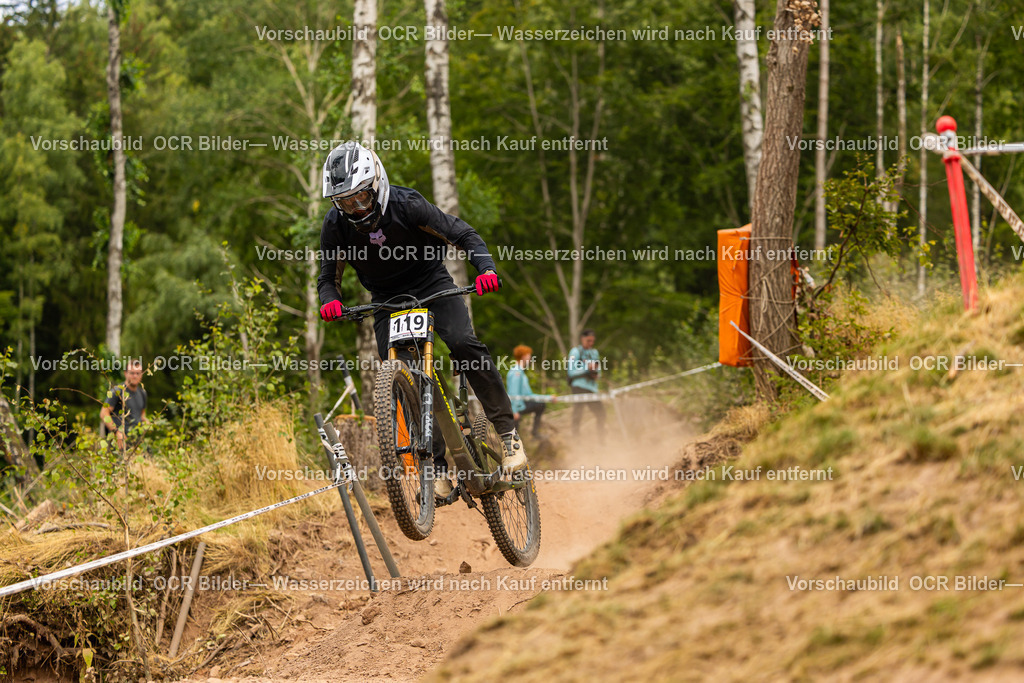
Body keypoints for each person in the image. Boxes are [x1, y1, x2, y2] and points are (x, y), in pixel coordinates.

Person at [315, 142, 526, 500]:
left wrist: (485, 268)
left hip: (431, 282)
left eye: (361, 198)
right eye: (345, 202)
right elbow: (326, 278)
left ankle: (507, 436)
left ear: (377, 185)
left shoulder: (407, 204)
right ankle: (437, 466)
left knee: (461, 342)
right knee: (405, 376)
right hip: (386, 299)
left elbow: (464, 234)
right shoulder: (335, 226)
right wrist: (330, 301)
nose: (356, 209)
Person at [100, 359, 147, 451]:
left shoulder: (143, 393)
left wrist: (149, 423)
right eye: (132, 373)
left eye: (138, 373)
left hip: (137, 442)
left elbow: (142, 415)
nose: (135, 376)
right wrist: (117, 432)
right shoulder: (117, 391)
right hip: (120, 444)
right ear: (125, 373)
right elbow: (103, 414)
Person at [567, 329, 605, 437]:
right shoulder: (575, 352)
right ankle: (576, 440)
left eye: (593, 341)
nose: (591, 343)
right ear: (582, 339)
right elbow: (571, 372)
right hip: (579, 386)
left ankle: (601, 440)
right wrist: (586, 368)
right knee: (578, 414)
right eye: (588, 341)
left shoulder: (594, 352)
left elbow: (599, 372)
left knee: (601, 414)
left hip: (592, 388)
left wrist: (595, 373)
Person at [506, 345, 548, 438]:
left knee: (540, 404)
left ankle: (535, 433)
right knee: (514, 435)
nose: (530, 357)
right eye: (528, 355)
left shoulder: (520, 371)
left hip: (521, 404)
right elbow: (513, 392)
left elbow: (528, 395)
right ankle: (535, 433)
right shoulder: (516, 372)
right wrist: (515, 410)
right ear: (523, 356)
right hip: (517, 407)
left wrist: (548, 398)